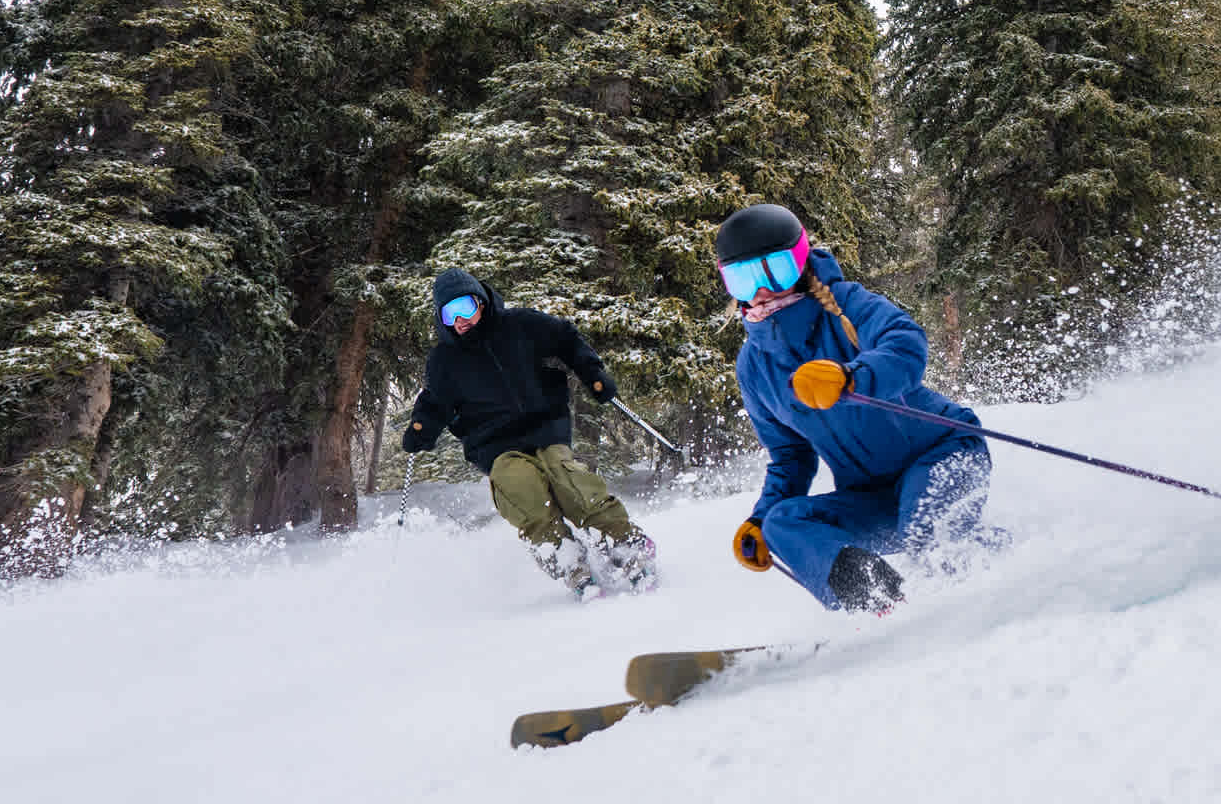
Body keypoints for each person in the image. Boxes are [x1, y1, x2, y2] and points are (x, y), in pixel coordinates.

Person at [718, 204, 998, 612]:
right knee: (784, 523)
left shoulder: (847, 306)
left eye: (774, 270)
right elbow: (790, 456)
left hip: (944, 453)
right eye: (744, 278)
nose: (761, 290)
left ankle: (1009, 574)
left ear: (799, 261)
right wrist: (760, 520)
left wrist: (851, 376)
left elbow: (906, 343)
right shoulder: (754, 366)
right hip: (872, 496)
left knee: (926, 534)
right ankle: (887, 607)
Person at [401, 268, 655, 599]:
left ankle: (623, 542)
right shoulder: (444, 360)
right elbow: (435, 402)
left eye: (464, 307)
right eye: (449, 314)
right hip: (494, 445)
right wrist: (421, 429)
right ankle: (568, 561)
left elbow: (565, 337)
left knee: (569, 482)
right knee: (521, 489)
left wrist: (591, 372)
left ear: (481, 301)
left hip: (545, 427)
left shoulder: (519, 325)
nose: (460, 320)